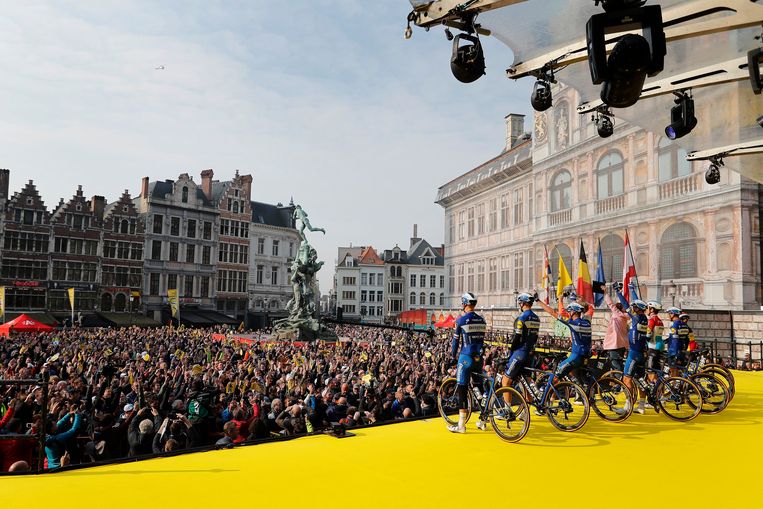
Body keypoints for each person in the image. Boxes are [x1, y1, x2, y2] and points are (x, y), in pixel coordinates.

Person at [535, 300, 592, 406]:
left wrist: (539, 302)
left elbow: (553, 313)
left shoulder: (573, 323)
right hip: (586, 356)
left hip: (576, 356)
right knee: (579, 377)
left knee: (555, 376)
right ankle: (583, 395)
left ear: (574, 312)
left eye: (569, 311)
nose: (568, 314)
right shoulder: (587, 322)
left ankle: (545, 403)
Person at [447, 292, 486, 434]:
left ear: (464, 304)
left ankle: (461, 425)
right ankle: (483, 420)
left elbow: (456, 341)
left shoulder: (461, 320)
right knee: (479, 388)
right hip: (478, 358)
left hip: (466, 357)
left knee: (462, 390)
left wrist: (452, 357)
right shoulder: (482, 320)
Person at [502, 293, 540, 400]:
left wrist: (512, 349)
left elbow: (517, 337)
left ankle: (507, 409)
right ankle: (528, 409)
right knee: (526, 384)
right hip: (530, 353)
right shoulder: (537, 318)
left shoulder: (522, 317)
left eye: (520, 303)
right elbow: (535, 337)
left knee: (506, 381)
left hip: (520, 352)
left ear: (522, 303)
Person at [620, 292, 649, 415]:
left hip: (634, 353)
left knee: (627, 379)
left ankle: (627, 406)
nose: (633, 308)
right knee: (640, 379)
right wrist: (631, 290)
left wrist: (618, 292)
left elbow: (625, 305)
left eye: (635, 307)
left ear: (638, 308)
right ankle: (641, 405)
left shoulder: (637, 318)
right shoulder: (644, 319)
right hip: (641, 353)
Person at [603, 285, 629, 371]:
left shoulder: (616, 313)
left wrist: (605, 292)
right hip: (623, 344)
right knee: (620, 363)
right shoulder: (626, 317)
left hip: (614, 344)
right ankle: (620, 380)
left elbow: (610, 303)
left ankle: (619, 382)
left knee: (615, 364)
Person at [645, 301, 665, 409]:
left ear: (652, 309)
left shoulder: (651, 320)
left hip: (652, 348)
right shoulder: (660, 320)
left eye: (648, 307)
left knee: (651, 373)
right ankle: (660, 397)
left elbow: (648, 335)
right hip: (660, 347)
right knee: (657, 375)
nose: (646, 309)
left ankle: (653, 399)